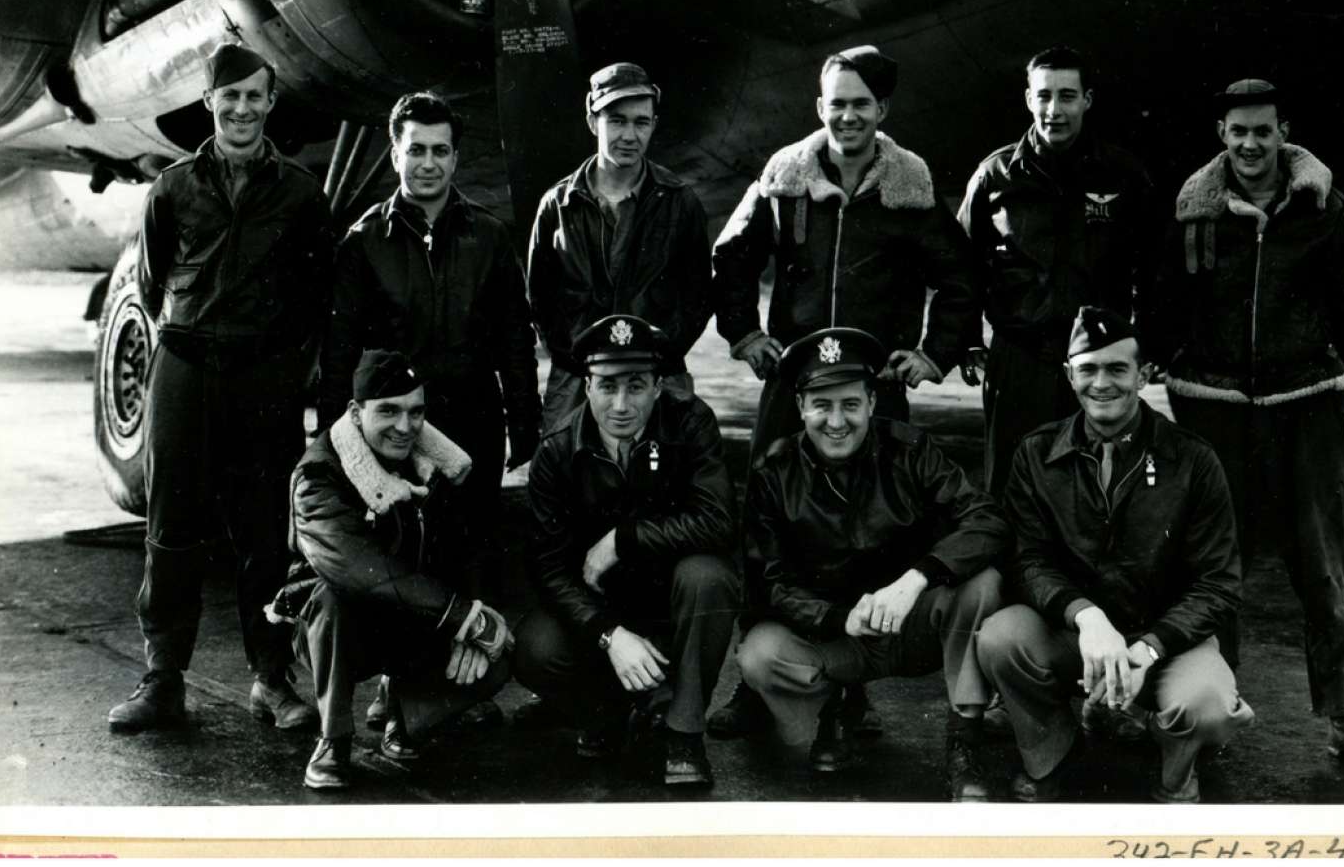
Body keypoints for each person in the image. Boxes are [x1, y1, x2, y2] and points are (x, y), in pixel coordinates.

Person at [710, 45, 978, 737]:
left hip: (874, 390)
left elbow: (957, 277)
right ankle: (751, 677)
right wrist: (743, 334)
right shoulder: (785, 178)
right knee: (769, 527)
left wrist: (932, 354)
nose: (847, 115)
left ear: (882, 110)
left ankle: (849, 679)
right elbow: (732, 255)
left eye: (861, 104)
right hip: (794, 384)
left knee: (869, 532)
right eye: (836, 103)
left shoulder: (910, 186)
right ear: (819, 107)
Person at [1146, 78, 1344, 772]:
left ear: (1284, 131)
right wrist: (1187, 370)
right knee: (1217, 571)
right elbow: (1164, 303)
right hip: (1216, 414)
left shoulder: (1324, 209)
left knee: (1322, 568)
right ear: (1221, 136)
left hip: (1306, 411)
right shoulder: (1193, 214)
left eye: (1263, 131)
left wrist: (1321, 362)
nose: (1251, 145)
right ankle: (1213, 710)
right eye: (1238, 132)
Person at [108, 43, 330, 736]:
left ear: (270, 103)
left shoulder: (299, 192)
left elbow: (314, 294)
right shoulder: (172, 187)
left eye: (254, 96)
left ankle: (270, 679)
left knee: (264, 533)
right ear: (208, 103)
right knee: (171, 527)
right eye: (228, 96)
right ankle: (162, 680)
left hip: (263, 374)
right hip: (186, 367)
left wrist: (284, 366)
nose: (241, 109)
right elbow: (151, 283)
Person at [978, 307, 1254, 803]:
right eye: (1088, 369)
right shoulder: (1036, 454)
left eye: (1117, 369)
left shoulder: (1192, 459)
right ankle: (1052, 753)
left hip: (1166, 642)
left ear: (1144, 376)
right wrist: (1086, 618)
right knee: (1001, 639)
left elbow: (1219, 583)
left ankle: (1176, 774)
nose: (1101, 383)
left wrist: (1149, 647)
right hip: (1077, 637)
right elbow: (1026, 559)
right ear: (1068, 375)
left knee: (1207, 705)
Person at [736, 328, 1009, 801]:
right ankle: (833, 706)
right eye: (821, 405)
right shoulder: (773, 473)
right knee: (760, 654)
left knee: (981, 582)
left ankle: (965, 737)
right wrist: (840, 618)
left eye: (850, 404)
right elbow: (770, 581)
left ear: (871, 402)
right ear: (800, 407)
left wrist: (916, 578)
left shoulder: (911, 451)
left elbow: (986, 520)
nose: (836, 421)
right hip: (836, 633)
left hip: (913, 622)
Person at [321, 91, 541, 619]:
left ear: (455, 158)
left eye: (440, 151)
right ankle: (397, 688)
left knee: (473, 549)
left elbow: (515, 335)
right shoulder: (364, 241)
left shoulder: (487, 236)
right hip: (400, 426)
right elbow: (341, 346)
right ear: (395, 154)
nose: (427, 164)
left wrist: (524, 416)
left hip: (474, 416)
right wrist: (334, 431)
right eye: (416, 150)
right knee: (403, 551)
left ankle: (468, 685)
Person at [513, 315, 739, 789]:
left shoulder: (691, 422)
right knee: (535, 646)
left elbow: (718, 520)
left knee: (709, 576)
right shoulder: (557, 451)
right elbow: (550, 570)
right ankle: (608, 713)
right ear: (586, 386)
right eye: (607, 386)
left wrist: (624, 539)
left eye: (636, 386)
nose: (621, 404)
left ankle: (683, 733)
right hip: (600, 612)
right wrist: (609, 635)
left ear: (659, 387)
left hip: (668, 603)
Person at [275, 350, 516, 791]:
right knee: (329, 598)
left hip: (415, 613)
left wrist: (480, 614)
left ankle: (404, 717)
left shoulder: (438, 462)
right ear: (355, 411)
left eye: (415, 412)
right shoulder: (318, 472)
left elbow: (469, 548)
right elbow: (354, 568)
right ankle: (334, 739)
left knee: (499, 656)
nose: (405, 427)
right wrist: (461, 616)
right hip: (341, 626)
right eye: (388, 411)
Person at [957, 46, 1157, 497]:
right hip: (1019, 359)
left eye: (1067, 96)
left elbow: (1151, 265)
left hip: (1099, 361)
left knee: (1098, 486)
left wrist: (1147, 339)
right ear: (1028, 99)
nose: (1054, 110)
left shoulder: (1123, 175)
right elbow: (963, 265)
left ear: (1087, 99)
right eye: (1044, 96)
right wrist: (968, 339)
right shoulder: (995, 176)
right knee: (1012, 488)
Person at [526, 63, 714, 436]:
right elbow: (540, 297)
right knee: (559, 467)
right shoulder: (557, 204)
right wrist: (574, 360)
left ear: (653, 125)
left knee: (673, 468)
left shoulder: (680, 202)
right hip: (578, 373)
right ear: (593, 121)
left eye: (640, 122)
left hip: (656, 369)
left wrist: (661, 353)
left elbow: (697, 295)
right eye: (616, 120)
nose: (629, 135)